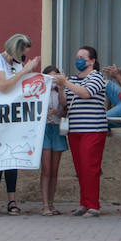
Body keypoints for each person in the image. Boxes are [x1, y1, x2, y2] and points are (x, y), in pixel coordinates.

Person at [0, 34, 40, 215]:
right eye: (23, 52)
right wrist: (25, 71)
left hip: (13, 117)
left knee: (12, 159)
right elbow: (3, 86)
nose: (24, 57)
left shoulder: (17, 65)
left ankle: (12, 200)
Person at [61, 45, 109, 217]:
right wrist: (61, 87)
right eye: (77, 57)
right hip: (75, 130)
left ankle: (93, 205)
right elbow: (65, 101)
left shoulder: (96, 77)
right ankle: (84, 203)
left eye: (82, 57)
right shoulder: (73, 79)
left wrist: (65, 82)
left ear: (92, 61)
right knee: (80, 168)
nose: (78, 60)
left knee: (90, 168)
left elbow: (86, 93)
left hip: (93, 129)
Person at [36, 65, 68, 215]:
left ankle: (51, 202)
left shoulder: (59, 92)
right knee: (46, 169)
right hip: (44, 130)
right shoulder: (39, 92)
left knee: (55, 171)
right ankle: (44, 205)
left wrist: (61, 87)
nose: (53, 81)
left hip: (57, 129)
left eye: (55, 78)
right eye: (50, 78)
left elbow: (64, 107)